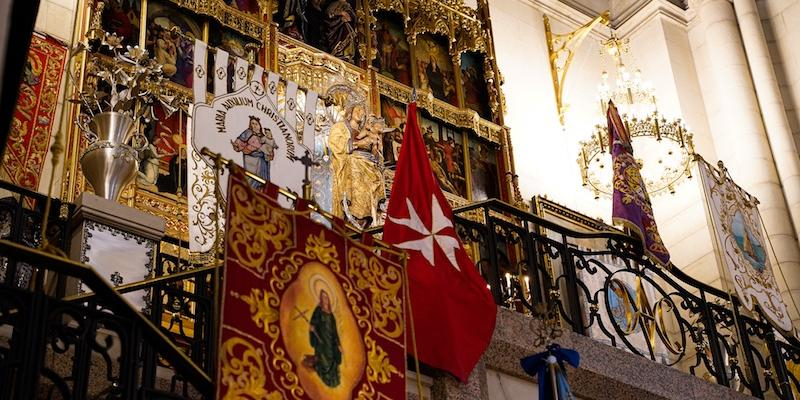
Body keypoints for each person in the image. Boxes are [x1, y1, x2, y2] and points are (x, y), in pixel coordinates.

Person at [307, 289, 342, 388]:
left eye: (326, 297)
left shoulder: (331, 315)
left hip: (330, 342)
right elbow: (313, 323)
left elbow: (335, 332)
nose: (325, 299)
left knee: (332, 360)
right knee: (324, 362)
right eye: (323, 297)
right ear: (321, 299)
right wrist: (311, 328)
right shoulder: (318, 311)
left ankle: (333, 381)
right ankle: (322, 373)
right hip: (321, 341)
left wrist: (338, 345)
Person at [231, 116, 278, 188]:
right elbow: (239, 141)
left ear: (259, 125)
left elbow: (269, 148)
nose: (254, 125)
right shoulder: (248, 132)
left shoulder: (263, 136)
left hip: (263, 160)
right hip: (251, 158)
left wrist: (269, 154)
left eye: (256, 124)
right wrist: (237, 145)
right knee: (251, 178)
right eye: (252, 123)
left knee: (262, 180)